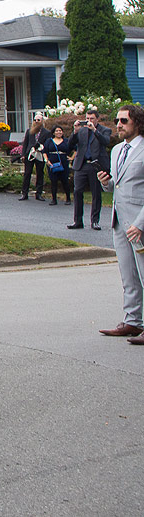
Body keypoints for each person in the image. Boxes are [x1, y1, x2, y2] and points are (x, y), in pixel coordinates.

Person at [96, 104, 144, 343]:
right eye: (117, 120)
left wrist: (141, 223)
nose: (119, 125)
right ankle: (133, 322)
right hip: (119, 222)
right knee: (129, 276)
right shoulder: (116, 151)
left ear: (137, 122)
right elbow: (119, 185)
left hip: (139, 224)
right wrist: (107, 182)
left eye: (124, 121)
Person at [69, 109, 112, 231]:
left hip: (96, 165)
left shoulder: (104, 130)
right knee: (77, 191)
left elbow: (106, 142)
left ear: (97, 119)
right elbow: (70, 145)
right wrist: (75, 131)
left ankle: (95, 221)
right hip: (82, 164)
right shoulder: (82, 131)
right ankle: (77, 221)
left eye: (91, 118)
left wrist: (94, 130)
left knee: (96, 193)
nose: (89, 121)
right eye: (87, 118)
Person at [20, 114, 48, 201]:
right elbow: (25, 143)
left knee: (40, 173)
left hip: (39, 154)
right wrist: (23, 154)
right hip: (30, 154)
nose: (36, 121)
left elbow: (47, 144)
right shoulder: (29, 131)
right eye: (35, 120)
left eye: (38, 120)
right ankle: (24, 193)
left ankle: (39, 193)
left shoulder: (46, 132)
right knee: (27, 173)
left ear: (42, 121)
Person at [43, 125, 72, 205]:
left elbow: (75, 148)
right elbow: (44, 151)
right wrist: (47, 160)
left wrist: (72, 157)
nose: (59, 132)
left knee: (65, 181)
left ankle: (68, 198)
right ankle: (54, 199)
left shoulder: (66, 141)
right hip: (52, 163)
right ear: (53, 132)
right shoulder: (49, 141)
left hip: (63, 162)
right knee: (53, 181)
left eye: (60, 131)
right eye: (57, 131)